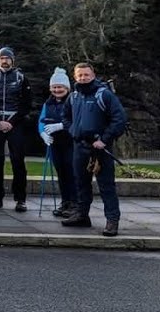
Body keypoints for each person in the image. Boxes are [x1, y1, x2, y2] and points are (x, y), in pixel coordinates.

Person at [62, 62, 126, 237]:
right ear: (75, 77)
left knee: (106, 186)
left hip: (99, 147)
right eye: (80, 75)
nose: (83, 78)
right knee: (81, 184)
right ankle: (82, 215)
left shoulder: (104, 94)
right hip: (79, 146)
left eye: (86, 75)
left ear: (93, 75)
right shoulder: (73, 96)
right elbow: (65, 116)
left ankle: (112, 220)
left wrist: (104, 139)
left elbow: (119, 119)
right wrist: (72, 131)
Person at [0, 47, 33, 212]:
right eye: (1, 58)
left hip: (16, 124)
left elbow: (26, 105)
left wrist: (11, 122)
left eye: (7, 58)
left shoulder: (21, 79)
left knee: (18, 162)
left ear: (12, 60)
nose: (4, 61)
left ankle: (20, 199)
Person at [39, 68, 77, 218]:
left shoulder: (73, 100)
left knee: (71, 172)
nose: (57, 90)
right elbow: (41, 121)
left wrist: (61, 125)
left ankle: (75, 203)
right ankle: (65, 202)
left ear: (66, 87)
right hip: (55, 143)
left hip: (70, 142)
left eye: (60, 87)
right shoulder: (48, 103)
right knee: (61, 173)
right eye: (54, 87)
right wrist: (43, 134)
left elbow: (76, 120)